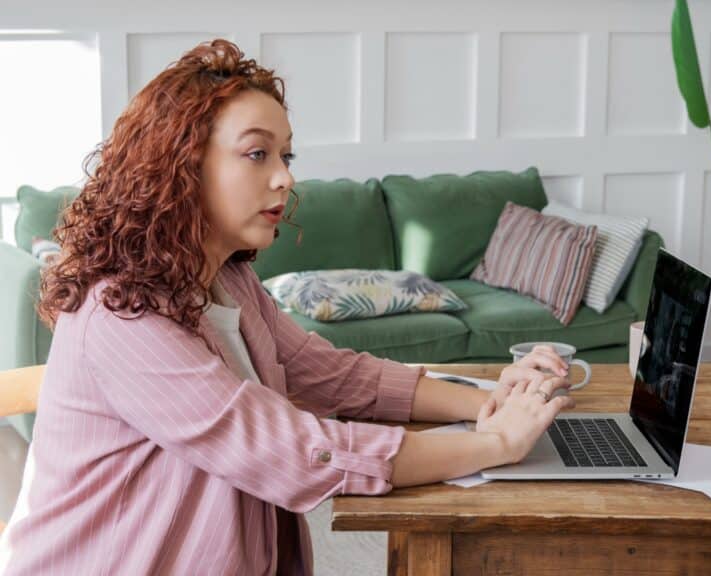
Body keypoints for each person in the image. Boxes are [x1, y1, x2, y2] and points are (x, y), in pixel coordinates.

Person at [0, 39, 576, 575]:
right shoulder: (121, 316)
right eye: (256, 154)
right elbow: (296, 452)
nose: (284, 178)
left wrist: (486, 404)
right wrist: (497, 444)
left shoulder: (228, 281)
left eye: (285, 154)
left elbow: (332, 375)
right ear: (180, 165)